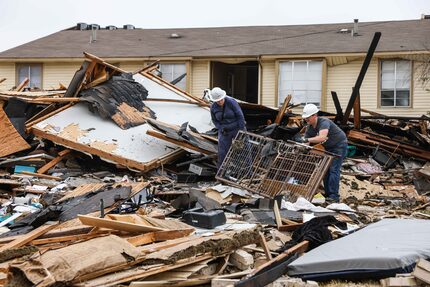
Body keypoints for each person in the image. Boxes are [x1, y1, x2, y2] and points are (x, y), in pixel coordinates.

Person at [297, 103, 348, 202]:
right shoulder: (310, 127)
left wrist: (306, 140)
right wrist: (301, 146)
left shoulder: (324, 122)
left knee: (334, 169)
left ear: (314, 115)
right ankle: (328, 194)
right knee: (325, 170)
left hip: (339, 145)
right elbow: (307, 141)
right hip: (328, 147)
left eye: (308, 117)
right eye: (305, 117)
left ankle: (334, 196)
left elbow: (322, 137)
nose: (306, 119)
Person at [209, 87, 246, 169]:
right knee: (222, 153)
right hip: (224, 131)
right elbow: (214, 120)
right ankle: (221, 173)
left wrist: (241, 131)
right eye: (218, 101)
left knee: (244, 151)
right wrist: (220, 128)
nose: (220, 101)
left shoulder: (231, 102)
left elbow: (240, 116)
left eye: (221, 99)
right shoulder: (213, 107)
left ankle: (248, 172)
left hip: (237, 128)